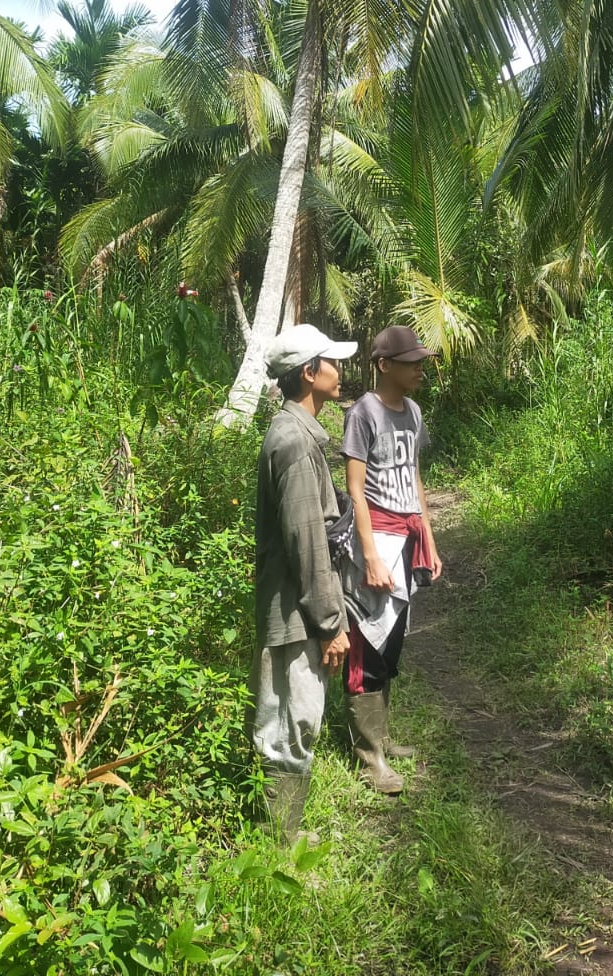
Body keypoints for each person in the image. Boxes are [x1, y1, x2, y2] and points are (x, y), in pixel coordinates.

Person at [251, 323, 357, 843]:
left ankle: (282, 836)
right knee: (291, 723)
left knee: (294, 719)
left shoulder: (295, 433)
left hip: (297, 608)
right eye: (330, 362)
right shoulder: (294, 443)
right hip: (294, 613)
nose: (341, 371)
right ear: (309, 373)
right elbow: (307, 545)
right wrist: (330, 624)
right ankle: (283, 844)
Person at [338, 325, 443, 794]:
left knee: (394, 637)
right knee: (367, 643)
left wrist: (430, 538)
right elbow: (355, 490)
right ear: (384, 365)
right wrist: (370, 557)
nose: (420, 367)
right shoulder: (364, 413)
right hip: (376, 539)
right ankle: (368, 758)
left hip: (405, 536)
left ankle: (381, 737)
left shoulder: (414, 412)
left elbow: (414, 476)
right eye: (411, 361)